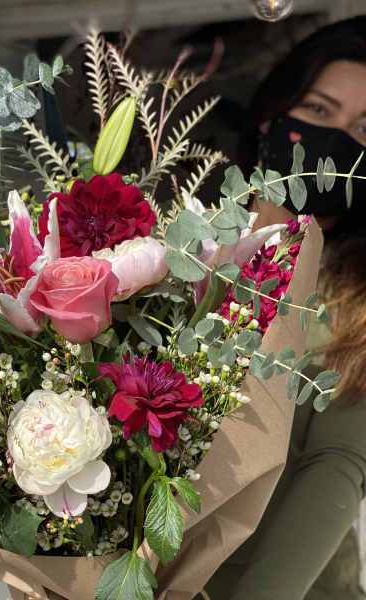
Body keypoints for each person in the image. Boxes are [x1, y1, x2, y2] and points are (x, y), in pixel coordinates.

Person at [199, 16, 366, 600]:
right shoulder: (182, 245)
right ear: (272, 116)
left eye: (363, 129)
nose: (336, 141)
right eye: (319, 109)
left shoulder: (356, 292)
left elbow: (338, 462)